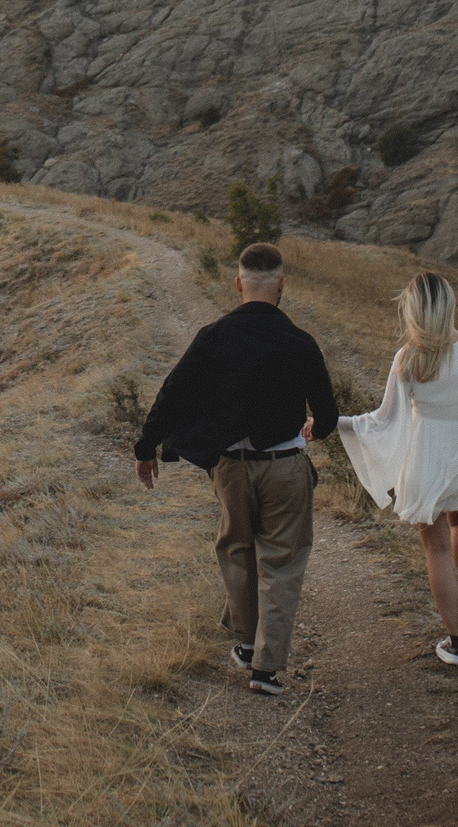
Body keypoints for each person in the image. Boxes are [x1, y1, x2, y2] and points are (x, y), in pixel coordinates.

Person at [134, 242, 341, 697]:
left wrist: (146, 447)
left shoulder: (213, 336)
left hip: (230, 468)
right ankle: (266, 669)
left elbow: (173, 392)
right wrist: (312, 427)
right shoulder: (301, 342)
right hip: (285, 466)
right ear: (281, 285)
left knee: (236, 550)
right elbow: (326, 416)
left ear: (238, 284)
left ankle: (248, 642)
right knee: (282, 564)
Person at [338, 271, 458, 666]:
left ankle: (457, 644)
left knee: (435, 547)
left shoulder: (409, 357)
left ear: (413, 310)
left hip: (424, 460)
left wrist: (338, 421)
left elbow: (383, 420)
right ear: (450, 305)